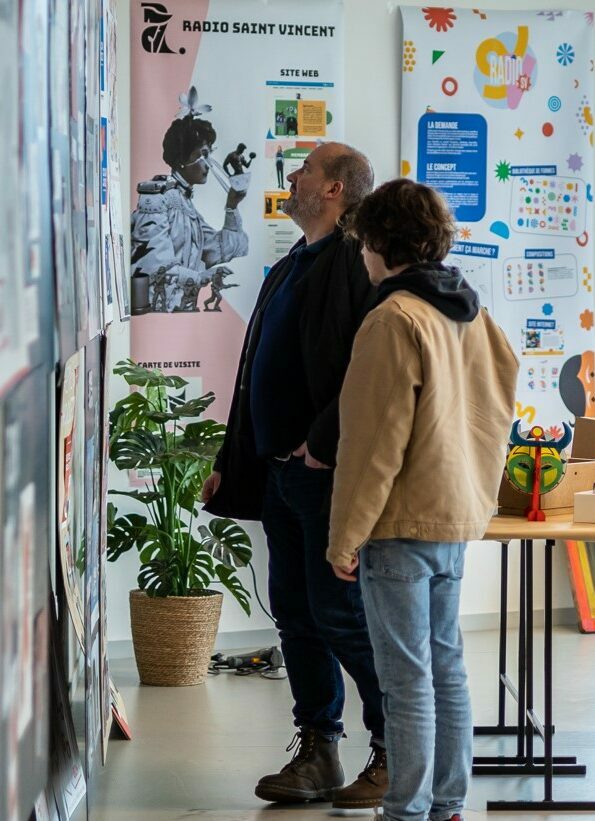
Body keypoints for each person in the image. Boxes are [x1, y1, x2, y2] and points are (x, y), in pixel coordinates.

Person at [327, 178, 519, 821]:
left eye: (362, 244)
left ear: (380, 242)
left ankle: (405, 811)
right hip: (453, 516)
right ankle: (447, 804)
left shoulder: (392, 319)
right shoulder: (471, 311)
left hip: (401, 523)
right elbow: (496, 412)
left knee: (406, 679)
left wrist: (344, 536)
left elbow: (372, 444)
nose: (360, 254)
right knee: (447, 668)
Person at [203, 142, 388, 809]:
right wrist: (232, 459)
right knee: (294, 614)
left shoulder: (350, 261)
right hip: (281, 475)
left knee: (338, 615)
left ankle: (394, 746)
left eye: (305, 169)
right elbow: (252, 366)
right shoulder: (292, 262)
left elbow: (362, 373)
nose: (292, 177)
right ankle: (318, 747)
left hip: (324, 474)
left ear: (335, 189)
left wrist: (320, 444)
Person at [131, 99, 248, 313]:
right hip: (156, 318)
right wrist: (200, 276)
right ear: (182, 159)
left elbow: (217, 250)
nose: (208, 164)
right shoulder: (158, 200)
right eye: (202, 155)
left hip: (179, 314)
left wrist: (232, 206)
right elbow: (153, 267)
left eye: (209, 154)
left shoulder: (185, 204)